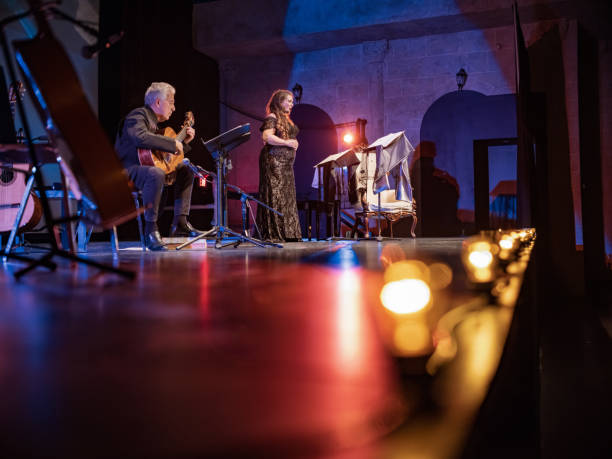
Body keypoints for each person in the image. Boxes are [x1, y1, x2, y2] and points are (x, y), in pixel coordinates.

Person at [115, 82, 204, 251]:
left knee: (186, 169)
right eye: (171, 102)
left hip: (145, 169)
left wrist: (183, 143)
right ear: (157, 102)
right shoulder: (138, 116)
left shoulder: (154, 125)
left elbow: (160, 158)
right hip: (127, 170)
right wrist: (172, 143)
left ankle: (180, 222)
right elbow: (140, 137)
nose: (174, 108)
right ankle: (150, 230)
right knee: (155, 173)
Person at [256, 89, 302, 242]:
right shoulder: (272, 117)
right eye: (289, 101)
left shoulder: (286, 119)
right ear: (280, 102)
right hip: (274, 162)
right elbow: (267, 136)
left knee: (286, 196)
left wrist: (293, 143)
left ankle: (289, 233)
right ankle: (275, 233)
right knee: (276, 195)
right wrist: (287, 142)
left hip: (286, 165)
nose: (292, 104)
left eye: (292, 101)